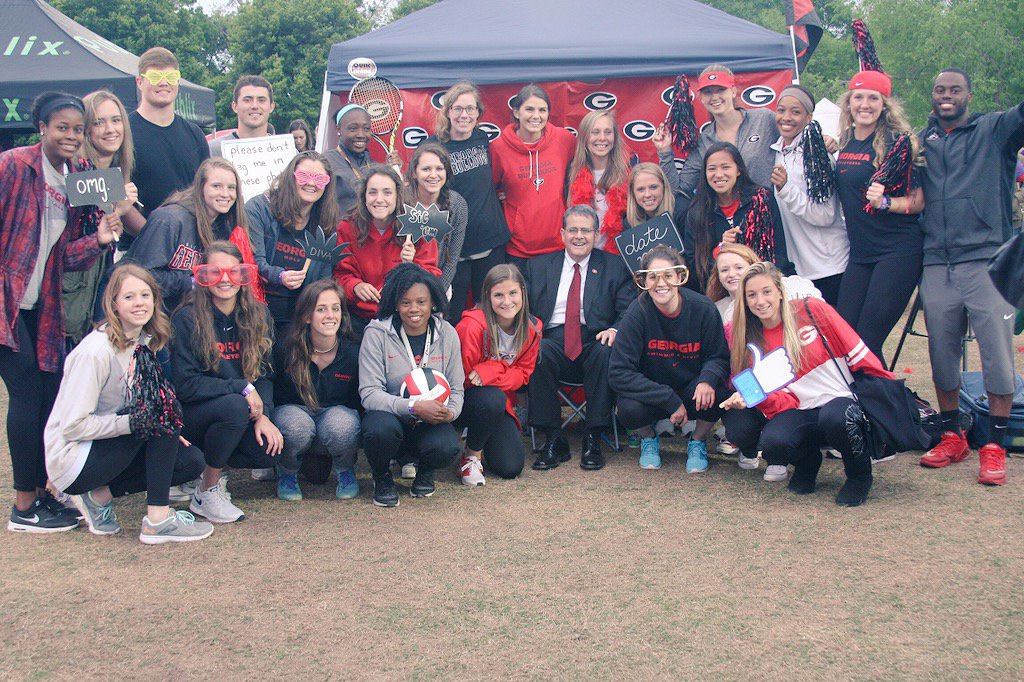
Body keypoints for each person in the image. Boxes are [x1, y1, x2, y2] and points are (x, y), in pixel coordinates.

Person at [2, 92, 118, 533]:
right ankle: (23, 506)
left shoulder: (82, 175)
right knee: (28, 391)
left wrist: (103, 236)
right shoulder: (14, 165)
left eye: (76, 129)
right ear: (42, 128)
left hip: (43, 304)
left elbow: (67, 257)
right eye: (61, 127)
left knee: (49, 394)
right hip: (5, 301)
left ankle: (47, 495)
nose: (70, 136)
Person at [44, 264, 213, 543]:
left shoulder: (142, 342)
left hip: (108, 443)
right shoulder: (95, 352)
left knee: (190, 461)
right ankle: (158, 521)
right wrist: (137, 423)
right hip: (73, 460)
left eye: (145, 295)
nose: (139, 303)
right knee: (162, 413)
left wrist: (163, 435)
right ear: (113, 304)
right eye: (129, 297)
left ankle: (98, 498)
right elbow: (73, 426)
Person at [916, 68, 1024, 485]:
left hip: (986, 258)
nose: (946, 96)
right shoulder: (921, 141)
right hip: (936, 260)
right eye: (940, 90)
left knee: (996, 352)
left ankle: (994, 445)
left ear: (968, 95)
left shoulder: (994, 130)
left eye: (955, 90)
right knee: (942, 353)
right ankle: (952, 434)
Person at [720, 262, 889, 507]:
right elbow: (778, 404)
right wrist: (748, 398)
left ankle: (859, 475)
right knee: (774, 441)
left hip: (840, 400)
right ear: (744, 301)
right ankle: (808, 464)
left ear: (780, 291)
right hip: (801, 409)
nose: (760, 301)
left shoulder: (812, 310)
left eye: (766, 291)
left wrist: (885, 394)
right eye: (752, 295)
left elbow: (857, 351)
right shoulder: (745, 340)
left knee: (836, 418)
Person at [170, 241, 283, 523]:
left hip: (239, 411)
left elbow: (266, 374)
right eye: (215, 272)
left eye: (234, 272)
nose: (225, 279)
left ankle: (216, 471)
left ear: (244, 275)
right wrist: (242, 388)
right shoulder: (186, 318)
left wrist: (264, 415)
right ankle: (206, 491)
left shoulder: (259, 314)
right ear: (203, 276)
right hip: (195, 414)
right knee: (234, 406)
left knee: (268, 449)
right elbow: (186, 385)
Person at [524, 205, 634, 471]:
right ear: (562, 233)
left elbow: (628, 310)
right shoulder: (538, 266)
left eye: (586, 230)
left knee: (605, 352)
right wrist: (530, 329)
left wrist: (615, 330)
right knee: (536, 352)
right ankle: (553, 438)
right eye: (572, 230)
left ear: (596, 235)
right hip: (550, 338)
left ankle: (594, 437)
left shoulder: (615, 266)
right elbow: (521, 309)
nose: (579, 236)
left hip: (595, 338)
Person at [609, 245, 730, 472]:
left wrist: (707, 379)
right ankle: (648, 438)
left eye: (667, 275)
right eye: (653, 277)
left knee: (716, 390)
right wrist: (668, 399)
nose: (661, 284)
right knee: (628, 407)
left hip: (691, 388)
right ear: (644, 281)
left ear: (679, 277)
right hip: (654, 393)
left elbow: (719, 357)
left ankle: (698, 440)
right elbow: (618, 372)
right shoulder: (637, 313)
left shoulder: (703, 309)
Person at [834, 70, 925, 363]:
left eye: (873, 98)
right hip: (861, 254)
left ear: (884, 105)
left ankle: (885, 408)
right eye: (858, 97)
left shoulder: (897, 143)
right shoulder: (845, 142)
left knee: (867, 343)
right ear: (848, 103)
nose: (865, 104)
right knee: (845, 338)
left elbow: (918, 201)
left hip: (897, 251)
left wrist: (886, 202)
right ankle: (864, 406)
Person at [358, 263, 464, 507]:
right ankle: (382, 477)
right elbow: (369, 394)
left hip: (429, 422)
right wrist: (413, 406)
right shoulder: (377, 333)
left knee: (447, 445)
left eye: (421, 302)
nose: (413, 309)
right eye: (405, 302)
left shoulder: (447, 333)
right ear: (395, 304)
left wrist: (450, 412)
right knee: (378, 429)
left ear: (433, 303)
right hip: (392, 419)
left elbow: (457, 389)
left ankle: (426, 472)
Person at [427, 82, 511, 323]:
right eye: (458, 108)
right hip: (455, 251)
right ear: (448, 111)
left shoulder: (483, 139)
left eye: (470, 109)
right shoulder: (434, 147)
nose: (464, 115)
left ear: (478, 113)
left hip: (491, 243)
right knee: (453, 316)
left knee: (492, 315)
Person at [126, 157, 256, 312]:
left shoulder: (226, 226)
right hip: (149, 313)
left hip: (188, 313)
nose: (225, 194)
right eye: (216, 186)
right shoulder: (169, 219)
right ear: (200, 187)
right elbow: (141, 275)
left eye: (231, 188)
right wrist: (193, 282)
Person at [273, 280, 362, 501]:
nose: (330, 315)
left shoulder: (352, 352)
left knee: (342, 424)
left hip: (331, 422)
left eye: (335, 308)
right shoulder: (287, 348)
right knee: (297, 426)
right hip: (295, 416)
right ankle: (287, 471)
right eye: (321, 309)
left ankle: (345, 470)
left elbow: (358, 402)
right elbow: (273, 391)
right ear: (306, 316)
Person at [65, 89, 141, 346]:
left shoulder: (117, 174)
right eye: (99, 122)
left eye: (116, 120)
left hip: (100, 287)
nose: (110, 129)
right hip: (72, 296)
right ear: (85, 129)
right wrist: (118, 209)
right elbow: (75, 241)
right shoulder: (74, 174)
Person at [455, 264, 541, 484]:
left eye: (513, 293)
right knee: (492, 397)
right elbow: (464, 378)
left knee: (510, 467)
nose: (507, 301)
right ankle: (472, 456)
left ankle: (478, 443)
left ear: (523, 292)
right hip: (462, 402)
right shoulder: (471, 327)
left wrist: (492, 368)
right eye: (498, 295)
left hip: (497, 403)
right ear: (487, 297)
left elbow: (523, 375)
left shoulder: (531, 329)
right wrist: (498, 370)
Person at [334, 164, 441, 333]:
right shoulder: (347, 228)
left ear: (398, 195)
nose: (379, 199)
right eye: (373, 192)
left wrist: (411, 266)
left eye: (387, 192)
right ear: (363, 196)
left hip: (404, 319)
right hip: (360, 318)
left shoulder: (417, 227)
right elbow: (340, 274)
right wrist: (355, 286)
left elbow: (432, 278)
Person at [769, 84, 848, 305]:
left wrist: (786, 190)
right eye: (781, 110)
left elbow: (825, 215)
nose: (787, 118)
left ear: (809, 116)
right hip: (799, 270)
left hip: (829, 267)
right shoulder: (776, 152)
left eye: (796, 112)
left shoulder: (817, 155)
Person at [247, 150, 340, 333]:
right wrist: (280, 276)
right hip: (257, 309)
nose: (311, 183)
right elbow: (253, 262)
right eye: (304, 176)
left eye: (320, 179)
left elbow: (324, 279)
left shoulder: (325, 222)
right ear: (291, 177)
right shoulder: (259, 209)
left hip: (300, 316)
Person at [126, 47, 209, 252]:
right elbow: (118, 200)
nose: (164, 82)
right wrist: (157, 238)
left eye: (171, 76)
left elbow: (205, 192)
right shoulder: (123, 133)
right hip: (138, 248)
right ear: (140, 82)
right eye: (155, 76)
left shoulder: (194, 134)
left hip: (191, 248)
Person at [655, 65, 780, 195]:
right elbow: (679, 189)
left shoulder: (764, 119)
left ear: (733, 92)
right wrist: (664, 151)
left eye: (720, 90)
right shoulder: (704, 140)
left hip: (767, 210)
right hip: (726, 214)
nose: (714, 97)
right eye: (708, 92)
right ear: (701, 98)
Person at [685, 141, 791, 291]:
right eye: (712, 169)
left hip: (766, 288)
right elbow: (695, 267)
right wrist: (721, 250)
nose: (719, 174)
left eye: (726, 167)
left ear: (738, 170)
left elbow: (779, 253)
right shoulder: (697, 212)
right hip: (722, 293)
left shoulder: (762, 198)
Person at [491, 84, 576, 263]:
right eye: (529, 109)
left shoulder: (564, 140)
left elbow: (584, 171)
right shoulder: (498, 148)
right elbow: (489, 188)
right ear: (516, 112)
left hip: (557, 244)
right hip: (517, 247)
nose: (536, 116)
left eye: (542, 110)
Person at [405, 141, 467, 295]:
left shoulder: (457, 204)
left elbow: (451, 261)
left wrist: (435, 293)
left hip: (437, 285)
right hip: (401, 281)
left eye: (439, 169)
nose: (433, 175)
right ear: (414, 172)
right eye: (426, 169)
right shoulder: (400, 201)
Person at [706, 243, 821, 325]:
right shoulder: (716, 310)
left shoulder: (790, 290)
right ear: (718, 276)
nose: (731, 274)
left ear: (753, 267)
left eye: (739, 267)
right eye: (724, 270)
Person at [567, 110, 631, 253]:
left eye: (608, 132)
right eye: (595, 132)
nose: (602, 138)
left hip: (617, 257)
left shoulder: (628, 173)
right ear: (585, 137)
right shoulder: (570, 174)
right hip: (581, 256)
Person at [324, 104, 401, 216]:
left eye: (366, 129)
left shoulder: (373, 166)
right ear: (338, 129)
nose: (361, 134)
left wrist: (391, 173)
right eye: (353, 129)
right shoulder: (326, 162)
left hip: (367, 231)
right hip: (337, 231)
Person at [209, 75, 276, 157]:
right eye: (247, 100)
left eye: (261, 100)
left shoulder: (288, 152)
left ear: (271, 107)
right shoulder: (213, 151)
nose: (255, 106)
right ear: (235, 106)